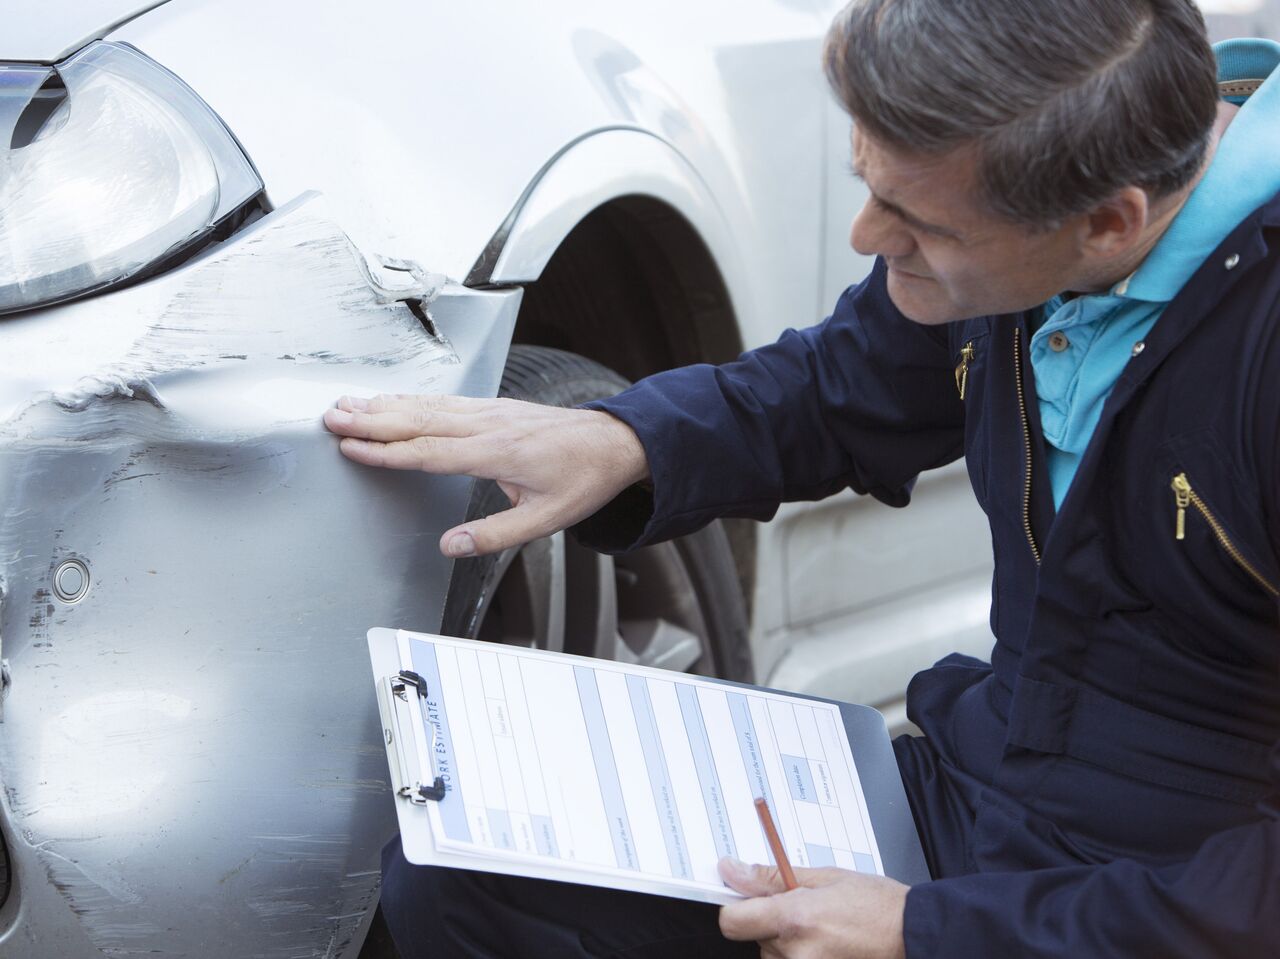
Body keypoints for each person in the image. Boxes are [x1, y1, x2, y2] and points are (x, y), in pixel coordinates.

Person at [324, 0, 1280, 955]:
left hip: (1173, 893)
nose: (867, 236)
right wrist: (622, 441)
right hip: (981, 798)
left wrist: (932, 932)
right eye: (865, 185)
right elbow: (846, 384)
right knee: (473, 869)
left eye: (915, 222)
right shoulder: (1031, 224)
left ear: (1108, 223)